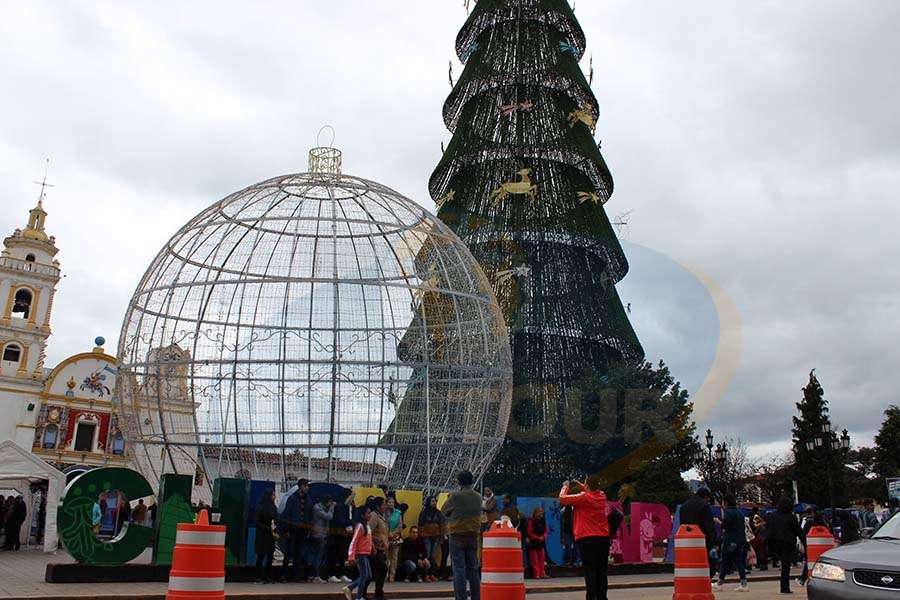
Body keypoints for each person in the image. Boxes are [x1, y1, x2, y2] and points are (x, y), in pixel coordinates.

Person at [559, 476, 610, 600]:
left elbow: (562, 499)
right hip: (603, 537)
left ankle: (591, 597)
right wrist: (581, 484)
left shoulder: (584, 497)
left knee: (590, 570)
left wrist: (565, 486)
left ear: (587, 486)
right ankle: (602, 597)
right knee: (601, 570)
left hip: (586, 538)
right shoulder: (602, 496)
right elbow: (591, 489)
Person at [442, 470, 482, 600]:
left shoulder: (455, 496)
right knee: (473, 569)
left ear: (459, 482)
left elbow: (444, 511)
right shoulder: (478, 496)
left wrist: (449, 499)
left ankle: (461, 598)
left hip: (457, 535)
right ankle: (476, 597)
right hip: (473, 535)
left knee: (459, 569)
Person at [767, 497, 804, 595]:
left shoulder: (773, 516)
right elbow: (798, 531)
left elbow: (769, 530)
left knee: (784, 564)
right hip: (787, 543)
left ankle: (784, 586)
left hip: (775, 543)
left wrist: (768, 543)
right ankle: (785, 587)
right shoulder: (791, 517)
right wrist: (805, 542)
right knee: (785, 566)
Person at [713, 495, 748, 592]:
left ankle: (719, 583)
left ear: (726, 502)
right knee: (738, 561)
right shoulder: (739, 512)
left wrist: (718, 521)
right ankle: (744, 584)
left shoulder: (728, 512)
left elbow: (725, 525)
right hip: (740, 540)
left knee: (725, 560)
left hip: (730, 540)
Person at [679, 488, 717, 576]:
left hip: (686, 539)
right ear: (705, 496)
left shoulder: (685, 505)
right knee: (706, 563)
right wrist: (714, 540)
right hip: (702, 539)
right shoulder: (704, 505)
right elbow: (709, 525)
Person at [281, 478, 313, 582]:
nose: (307, 488)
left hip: (303, 531)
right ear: (301, 486)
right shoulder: (292, 498)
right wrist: (286, 530)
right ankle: (283, 575)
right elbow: (287, 514)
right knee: (289, 552)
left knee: (299, 553)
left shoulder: (308, 499)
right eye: (306, 485)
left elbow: (309, 515)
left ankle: (296, 576)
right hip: (292, 530)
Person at [343, 506, 373, 600]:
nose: (370, 515)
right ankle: (358, 597)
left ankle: (350, 587)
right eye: (368, 513)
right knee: (364, 576)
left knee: (368, 575)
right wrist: (351, 557)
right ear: (362, 515)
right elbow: (354, 541)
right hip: (360, 554)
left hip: (365, 553)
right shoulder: (360, 526)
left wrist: (372, 548)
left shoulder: (367, 525)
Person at [326, 493, 354, 583]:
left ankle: (342, 574)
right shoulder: (338, 506)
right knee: (334, 555)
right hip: (336, 534)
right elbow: (338, 519)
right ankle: (331, 574)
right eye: (350, 497)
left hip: (343, 534)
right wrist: (346, 525)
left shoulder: (348, 507)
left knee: (342, 555)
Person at [366, 497, 389, 600]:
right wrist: (376, 541)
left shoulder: (381, 516)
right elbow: (368, 532)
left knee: (378, 570)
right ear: (378, 506)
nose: (385, 506)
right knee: (381, 569)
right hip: (374, 548)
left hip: (381, 548)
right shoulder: (374, 516)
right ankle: (377, 593)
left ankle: (377, 593)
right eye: (384, 505)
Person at [418, 496, 446, 582]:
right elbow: (420, 525)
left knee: (433, 557)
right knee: (427, 555)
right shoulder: (424, 513)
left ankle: (432, 574)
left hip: (436, 537)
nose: (434, 503)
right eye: (432, 501)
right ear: (428, 502)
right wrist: (421, 534)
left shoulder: (438, 513)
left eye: (435, 501)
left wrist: (441, 535)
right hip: (426, 536)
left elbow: (442, 524)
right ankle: (425, 574)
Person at [254, 489, 279, 584]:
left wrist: (275, 530)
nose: (274, 497)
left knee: (270, 556)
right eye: (273, 495)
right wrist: (268, 528)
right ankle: (258, 576)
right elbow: (257, 521)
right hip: (262, 535)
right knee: (261, 555)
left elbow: (276, 520)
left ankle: (267, 575)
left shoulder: (273, 507)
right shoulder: (261, 507)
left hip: (270, 536)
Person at [310, 495, 335, 583]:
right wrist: (332, 508)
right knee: (318, 556)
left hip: (322, 534)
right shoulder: (317, 508)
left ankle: (314, 575)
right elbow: (328, 517)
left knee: (320, 556)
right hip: (318, 534)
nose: (330, 504)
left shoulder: (323, 507)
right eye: (329, 502)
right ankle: (315, 576)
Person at [526, 506, 550, 579]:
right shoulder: (531, 521)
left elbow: (546, 530)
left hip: (541, 542)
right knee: (534, 559)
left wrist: (543, 537)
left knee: (542, 558)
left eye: (541, 513)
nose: (540, 514)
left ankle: (542, 573)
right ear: (535, 513)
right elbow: (529, 532)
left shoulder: (543, 520)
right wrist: (537, 538)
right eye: (539, 513)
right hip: (533, 542)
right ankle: (537, 573)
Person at [385, 496, 403, 583]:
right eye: (389, 502)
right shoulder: (383, 513)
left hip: (395, 537)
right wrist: (388, 533)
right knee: (386, 557)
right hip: (385, 536)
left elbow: (400, 526)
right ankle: (385, 575)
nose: (391, 504)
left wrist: (393, 533)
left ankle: (392, 575)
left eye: (392, 502)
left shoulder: (398, 513)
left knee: (394, 557)